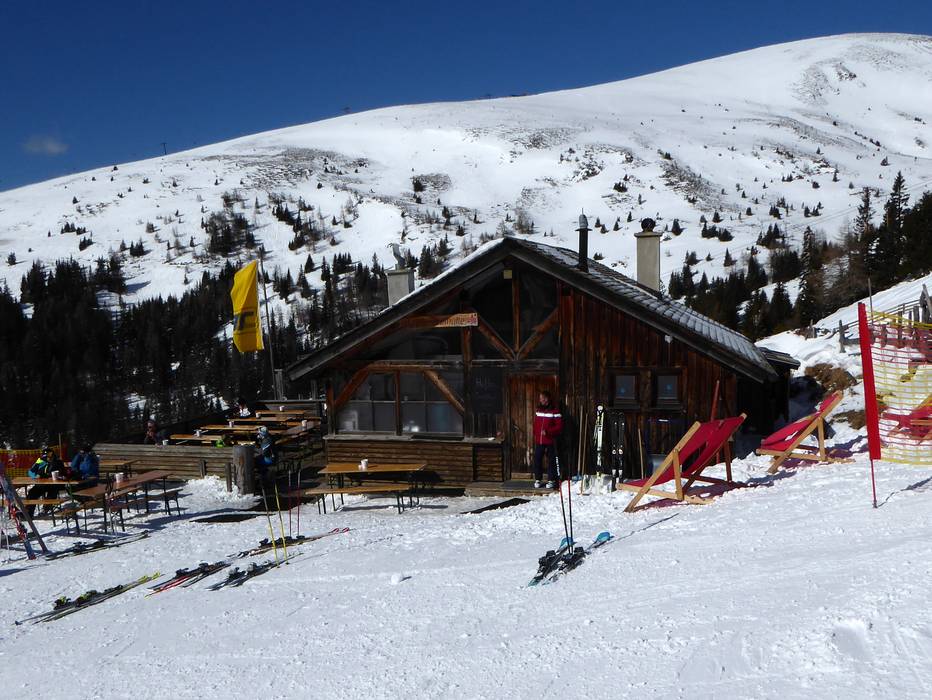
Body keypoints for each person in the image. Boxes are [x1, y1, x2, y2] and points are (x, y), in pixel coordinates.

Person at [532, 391, 563, 489]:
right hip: (540, 441)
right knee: (537, 459)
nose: (541, 400)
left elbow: (559, 426)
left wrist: (548, 432)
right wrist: (535, 433)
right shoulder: (538, 410)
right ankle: (538, 479)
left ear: (547, 399)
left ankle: (551, 480)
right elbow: (535, 424)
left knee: (551, 461)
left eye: (543, 398)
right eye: (540, 398)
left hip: (550, 440)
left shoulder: (555, 411)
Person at [26, 447, 65, 516]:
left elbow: (63, 473)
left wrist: (59, 476)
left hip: (54, 485)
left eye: (50, 455)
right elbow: (31, 471)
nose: (49, 458)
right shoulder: (40, 461)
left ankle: (46, 509)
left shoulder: (58, 462)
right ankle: (28, 513)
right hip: (42, 484)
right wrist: (35, 476)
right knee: (32, 492)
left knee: (52, 492)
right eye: (46, 456)